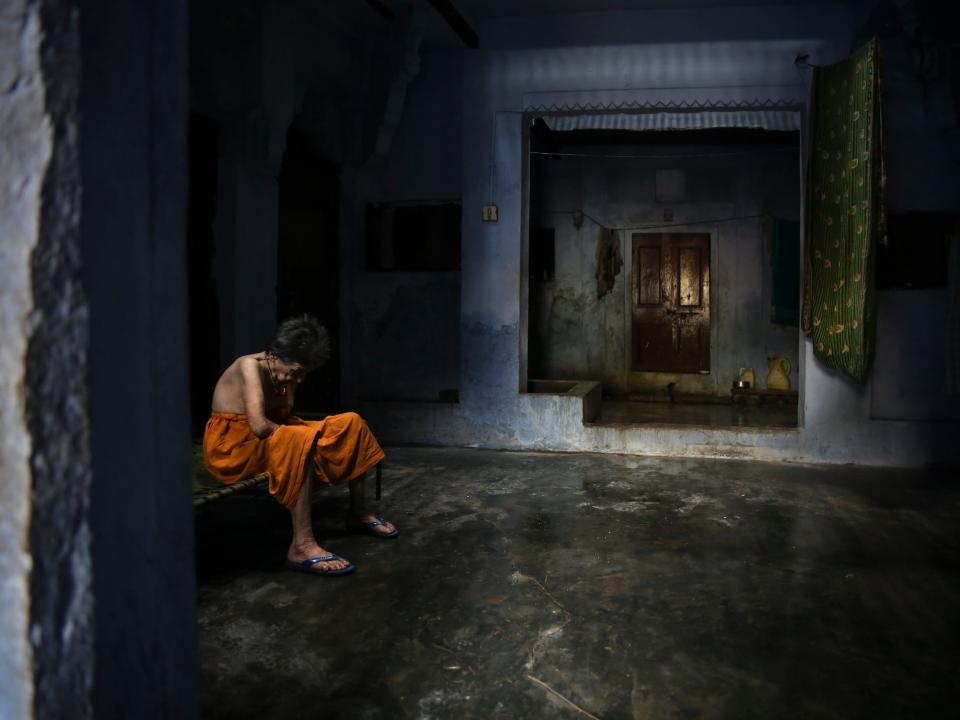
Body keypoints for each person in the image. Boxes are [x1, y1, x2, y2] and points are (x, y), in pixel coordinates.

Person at [203, 315, 396, 576]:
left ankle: (357, 513)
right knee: (298, 439)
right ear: (274, 355)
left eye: (304, 374)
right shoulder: (249, 366)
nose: (299, 379)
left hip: (269, 435)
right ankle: (301, 545)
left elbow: (284, 412)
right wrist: (304, 437)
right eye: (295, 372)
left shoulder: (284, 371)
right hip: (234, 446)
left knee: (351, 422)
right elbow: (259, 426)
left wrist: (290, 381)